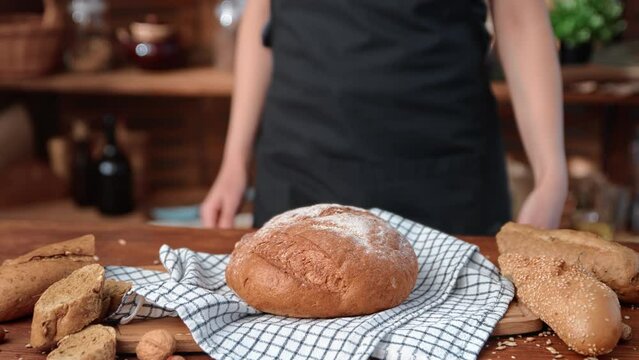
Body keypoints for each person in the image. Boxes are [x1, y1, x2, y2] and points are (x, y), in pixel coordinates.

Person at [201, 0, 568, 235]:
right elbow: (261, 14)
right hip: (300, 167)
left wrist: (551, 174)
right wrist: (234, 161)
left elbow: (520, 17)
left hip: (445, 174)